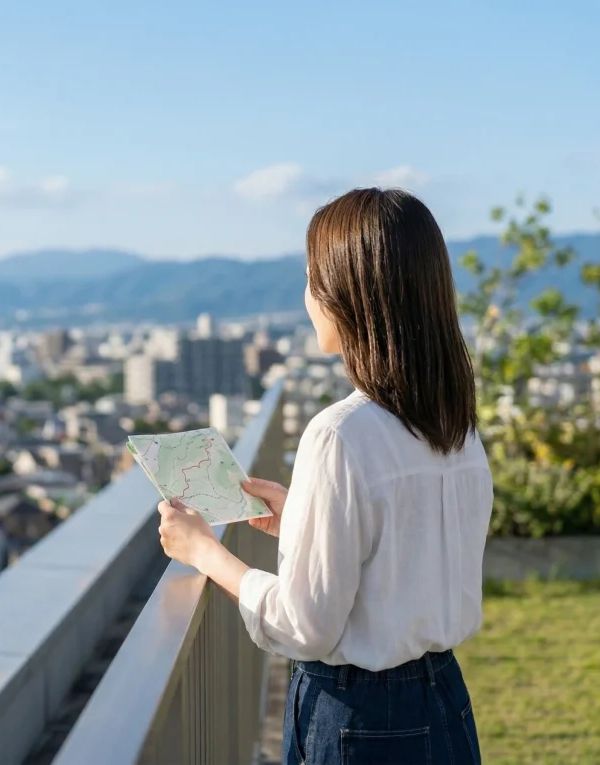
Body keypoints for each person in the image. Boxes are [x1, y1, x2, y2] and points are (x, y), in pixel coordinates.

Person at [157, 187, 492, 765]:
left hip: (359, 721)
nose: (307, 297)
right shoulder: (454, 426)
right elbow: (406, 563)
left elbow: (305, 625)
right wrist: (306, 523)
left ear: (349, 295)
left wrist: (206, 554)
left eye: (313, 279)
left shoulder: (339, 433)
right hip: (446, 705)